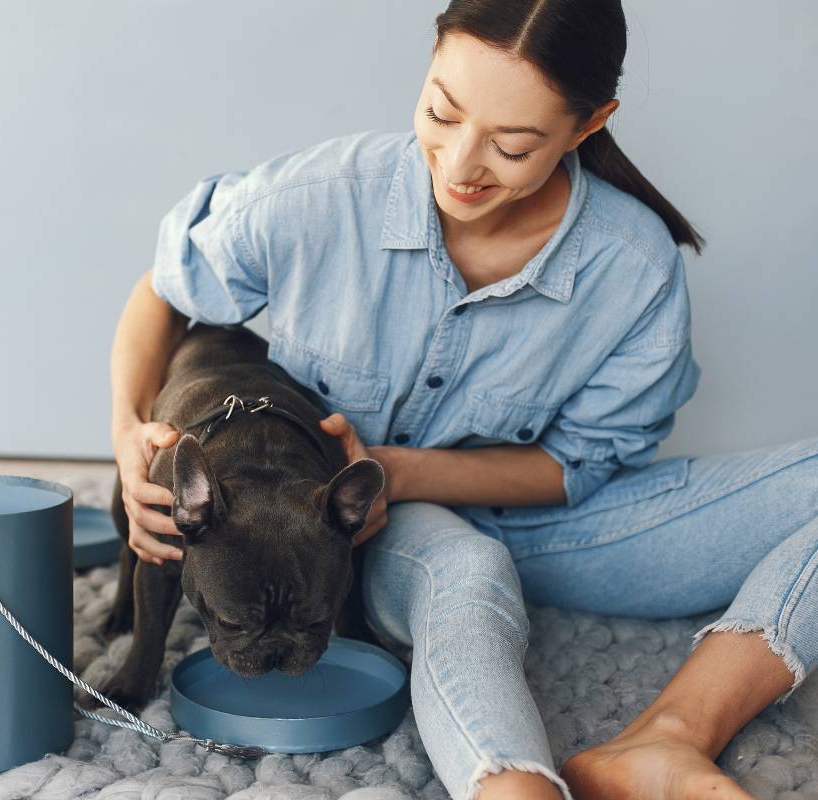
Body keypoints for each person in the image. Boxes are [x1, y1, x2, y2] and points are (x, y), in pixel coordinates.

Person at [108, 1, 818, 798]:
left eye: (513, 146)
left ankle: (674, 733)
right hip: (381, 535)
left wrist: (398, 469)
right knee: (467, 571)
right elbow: (164, 289)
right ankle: (515, 788)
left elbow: (577, 466)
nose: (459, 165)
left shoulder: (631, 262)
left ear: (590, 125)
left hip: (567, 529)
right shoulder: (320, 194)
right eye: (441, 113)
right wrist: (130, 432)